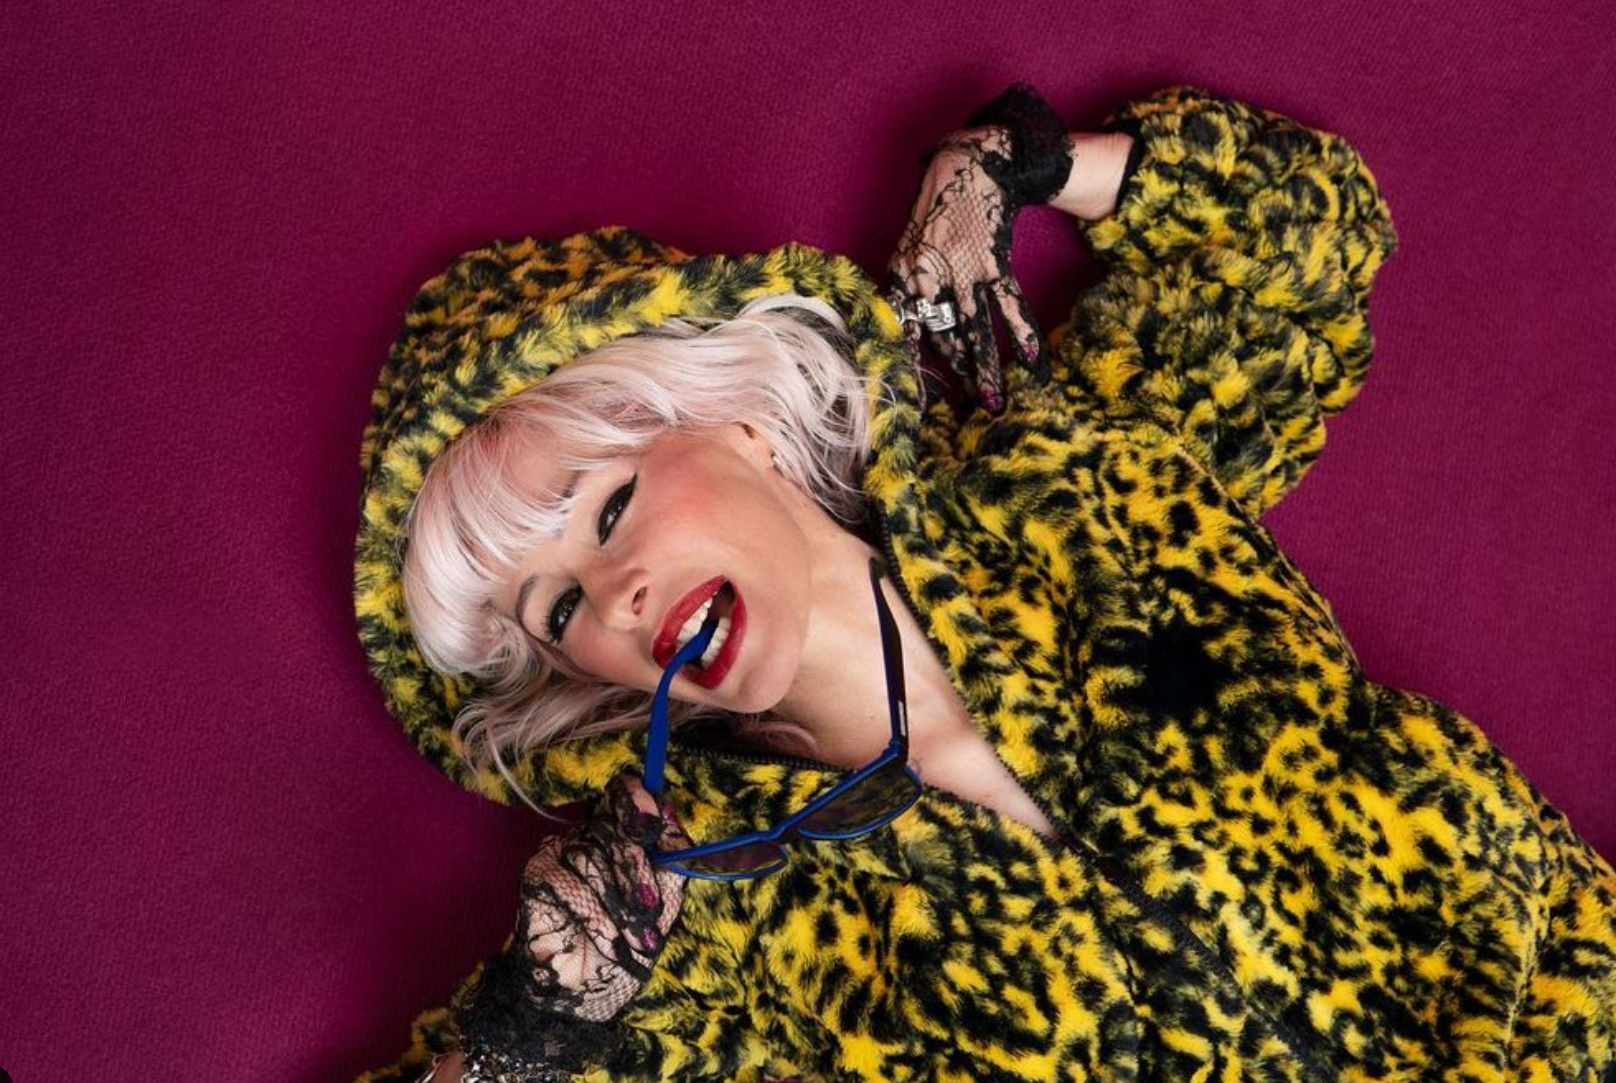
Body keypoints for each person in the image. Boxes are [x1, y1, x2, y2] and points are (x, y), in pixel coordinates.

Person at [351, 84, 1616, 1083]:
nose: (615, 594)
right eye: (558, 610)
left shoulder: (1061, 472)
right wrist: (531, 1034)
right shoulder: (696, 901)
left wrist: (1015, 165)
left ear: (736, 425)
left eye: (610, 508)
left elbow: (1304, 244)